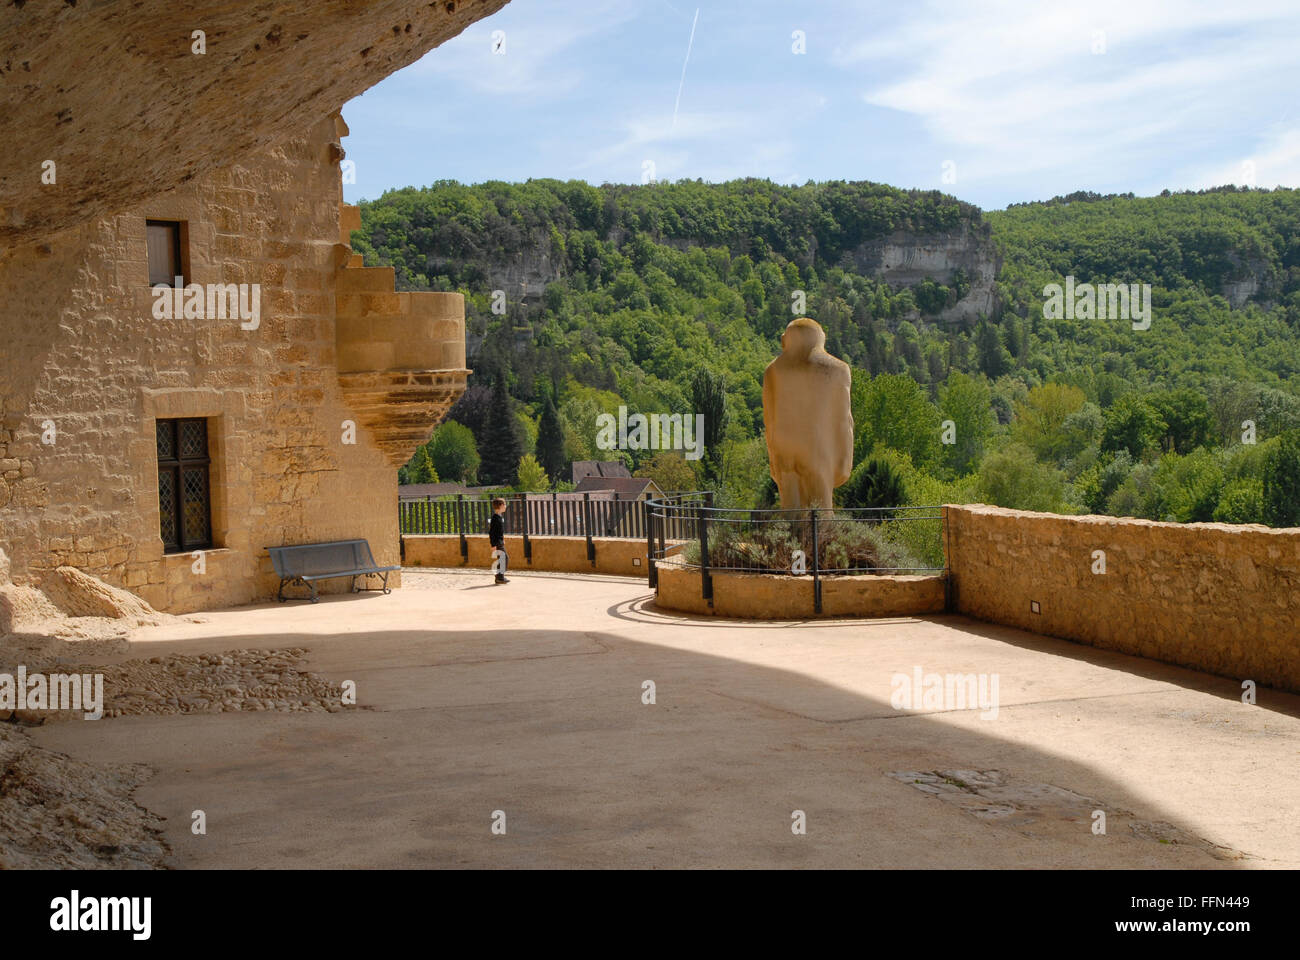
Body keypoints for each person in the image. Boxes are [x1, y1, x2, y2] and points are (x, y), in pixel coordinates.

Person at [488, 497, 509, 584]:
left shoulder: (499, 517)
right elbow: (492, 533)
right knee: (505, 558)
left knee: (502, 558)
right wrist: (493, 545)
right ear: (500, 505)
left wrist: (502, 539)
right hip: (497, 543)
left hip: (499, 542)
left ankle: (499, 576)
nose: (505, 506)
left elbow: (499, 531)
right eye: (504, 504)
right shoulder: (495, 518)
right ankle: (499, 577)